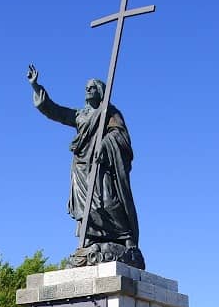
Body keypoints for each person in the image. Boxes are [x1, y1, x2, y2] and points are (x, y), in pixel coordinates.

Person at [27, 65, 142, 267]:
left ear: (101, 91)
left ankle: (126, 239)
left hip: (102, 167)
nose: (88, 90)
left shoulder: (110, 113)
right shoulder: (81, 116)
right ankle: (90, 238)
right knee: (85, 209)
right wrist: (36, 87)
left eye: (92, 87)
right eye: (86, 87)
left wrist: (105, 145)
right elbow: (55, 111)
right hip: (82, 168)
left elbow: (122, 138)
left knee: (107, 202)